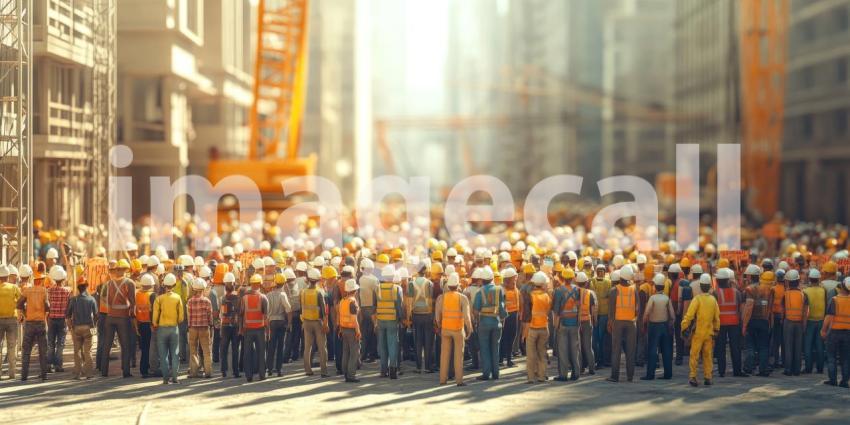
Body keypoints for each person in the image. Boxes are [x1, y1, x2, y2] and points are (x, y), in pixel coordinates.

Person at [681, 274, 720, 386]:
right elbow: (717, 317)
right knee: (708, 356)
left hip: (698, 332)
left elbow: (689, 315)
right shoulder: (713, 300)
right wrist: (716, 329)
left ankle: (693, 376)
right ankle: (708, 377)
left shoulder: (697, 299)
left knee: (694, 355)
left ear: (701, 286)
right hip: (709, 333)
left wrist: (684, 326)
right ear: (709, 286)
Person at [435, 273, 472, 386]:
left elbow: (437, 315)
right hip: (458, 329)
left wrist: (439, 325)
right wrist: (469, 328)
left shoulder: (441, 297)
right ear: (457, 285)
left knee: (444, 355)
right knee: (458, 355)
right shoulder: (462, 298)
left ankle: (442, 380)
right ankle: (459, 381)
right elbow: (466, 316)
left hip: (445, 329)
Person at [101, 259, 136, 378]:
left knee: (107, 345)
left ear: (116, 270)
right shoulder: (129, 282)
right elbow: (133, 301)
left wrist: (110, 306)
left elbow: (103, 298)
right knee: (125, 345)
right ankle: (126, 372)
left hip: (110, 316)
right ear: (126, 269)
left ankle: (104, 371)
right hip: (123, 317)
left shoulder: (108, 283)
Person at [472, 267, 506, 381]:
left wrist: (477, 320)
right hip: (496, 322)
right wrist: (502, 319)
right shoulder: (499, 289)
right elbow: (502, 308)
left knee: (484, 348)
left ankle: (486, 373)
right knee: (495, 348)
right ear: (492, 278)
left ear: (482, 280)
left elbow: (475, 310)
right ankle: (496, 373)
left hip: (484, 323)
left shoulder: (479, 291)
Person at [713, 267, 748, 378]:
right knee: (735, 347)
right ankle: (737, 371)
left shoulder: (715, 293)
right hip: (734, 323)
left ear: (717, 281)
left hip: (721, 323)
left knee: (721, 347)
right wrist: (742, 323)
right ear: (728, 280)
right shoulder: (736, 292)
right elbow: (741, 309)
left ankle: (721, 371)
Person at [17, 268, 50, 381]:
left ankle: (24, 376)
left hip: (29, 323)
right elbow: (47, 307)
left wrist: (25, 314)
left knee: (26, 350)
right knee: (42, 350)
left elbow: (19, 304)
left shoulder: (27, 291)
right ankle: (44, 375)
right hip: (40, 323)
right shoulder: (44, 291)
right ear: (40, 280)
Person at [607, 268, 638, 383]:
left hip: (618, 323)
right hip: (631, 323)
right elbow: (638, 308)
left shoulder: (614, 290)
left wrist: (610, 323)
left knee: (616, 350)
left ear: (620, 277)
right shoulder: (634, 289)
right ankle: (630, 376)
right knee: (630, 350)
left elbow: (611, 310)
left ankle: (614, 376)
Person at [642, 273, 674, 380]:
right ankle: (668, 374)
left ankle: (650, 374)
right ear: (664, 286)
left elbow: (646, 313)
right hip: (665, 326)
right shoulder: (666, 298)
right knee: (666, 350)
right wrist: (670, 325)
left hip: (654, 326)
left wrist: (644, 324)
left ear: (655, 286)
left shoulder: (653, 298)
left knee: (652, 350)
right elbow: (672, 315)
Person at [153, 273, 184, 384]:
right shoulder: (177, 298)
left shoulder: (159, 299)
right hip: (174, 328)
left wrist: (155, 324)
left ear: (164, 285)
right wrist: (176, 322)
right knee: (175, 353)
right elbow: (181, 317)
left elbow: (155, 317)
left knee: (163, 355)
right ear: (174, 285)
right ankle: (175, 378)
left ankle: (165, 379)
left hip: (162, 328)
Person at [65, 279, 98, 379]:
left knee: (77, 351)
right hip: (89, 327)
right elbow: (96, 315)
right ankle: (89, 374)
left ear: (78, 288)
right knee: (88, 351)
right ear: (86, 287)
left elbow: (68, 315)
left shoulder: (73, 299)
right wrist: (94, 328)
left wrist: (70, 327)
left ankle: (77, 373)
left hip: (77, 328)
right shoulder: (91, 299)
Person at [821, 277, 850, 388]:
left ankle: (833, 380)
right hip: (848, 333)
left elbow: (829, 317)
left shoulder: (834, 299)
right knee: (846, 358)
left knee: (831, 357)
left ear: (841, 286)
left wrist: (823, 330)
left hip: (834, 332)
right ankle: (844, 381)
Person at [376, 265, 404, 379]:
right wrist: (401, 318)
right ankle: (393, 370)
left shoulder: (377, 288)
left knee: (382, 345)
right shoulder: (397, 288)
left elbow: (375, 304)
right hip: (392, 320)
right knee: (392, 344)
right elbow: (399, 306)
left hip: (380, 319)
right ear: (392, 276)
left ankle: (383, 371)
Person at [553, 268, 581, 381]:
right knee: (574, 350)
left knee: (563, 350)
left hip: (563, 323)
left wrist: (556, 324)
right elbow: (579, 306)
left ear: (563, 278)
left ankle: (563, 375)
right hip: (574, 322)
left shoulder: (559, 290)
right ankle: (576, 373)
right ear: (573, 277)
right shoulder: (577, 289)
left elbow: (556, 310)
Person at [240, 274, 269, 382]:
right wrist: (268, 331)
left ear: (251, 284)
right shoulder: (263, 298)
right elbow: (266, 317)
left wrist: (240, 329)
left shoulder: (244, 298)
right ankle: (262, 374)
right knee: (261, 352)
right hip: (260, 329)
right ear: (260, 284)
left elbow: (241, 314)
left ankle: (249, 375)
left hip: (248, 329)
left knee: (247, 353)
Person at [407, 265, 435, 374]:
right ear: (425, 272)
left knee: (417, 341)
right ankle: (428, 367)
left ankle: (418, 367)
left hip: (416, 314)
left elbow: (409, 302)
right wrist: (431, 315)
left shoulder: (411, 284)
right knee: (428, 341)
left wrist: (408, 317)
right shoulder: (429, 283)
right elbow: (430, 300)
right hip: (427, 314)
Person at [301, 268, 329, 377]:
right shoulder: (319, 292)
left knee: (307, 347)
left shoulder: (303, 292)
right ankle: (324, 371)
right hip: (318, 322)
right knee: (322, 347)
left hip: (306, 322)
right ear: (317, 279)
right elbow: (324, 310)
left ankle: (308, 370)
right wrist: (326, 324)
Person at [525, 272, 551, 384]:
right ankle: (542, 376)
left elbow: (527, 314)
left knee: (531, 355)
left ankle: (531, 378)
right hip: (544, 327)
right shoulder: (546, 296)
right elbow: (548, 310)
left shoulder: (530, 296)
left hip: (532, 328)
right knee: (542, 353)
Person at [266, 272, 292, 377]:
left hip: (271, 322)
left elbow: (266, 312)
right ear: (284, 283)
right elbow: (289, 310)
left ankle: (269, 369)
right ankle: (279, 370)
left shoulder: (268, 295)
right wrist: (289, 323)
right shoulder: (283, 295)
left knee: (271, 346)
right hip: (281, 322)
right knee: (280, 346)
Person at [782, 269, 807, 376]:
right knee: (798, 347)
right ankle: (797, 370)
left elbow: (783, 310)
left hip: (788, 322)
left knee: (788, 346)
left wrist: (782, 320)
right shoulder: (803, 294)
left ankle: (788, 370)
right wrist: (804, 325)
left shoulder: (785, 294)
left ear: (788, 281)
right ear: (798, 281)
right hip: (799, 323)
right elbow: (805, 312)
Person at [187, 277, 213, 378]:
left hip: (193, 328)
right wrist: (210, 325)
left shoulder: (190, 301)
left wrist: (189, 326)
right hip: (204, 328)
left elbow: (189, 316)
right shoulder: (207, 301)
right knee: (206, 351)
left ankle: (194, 372)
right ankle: (208, 372)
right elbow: (210, 316)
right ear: (203, 289)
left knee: (193, 350)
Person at [46, 266, 70, 373]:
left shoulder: (49, 291)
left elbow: (47, 305)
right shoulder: (67, 291)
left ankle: (48, 365)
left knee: (51, 343)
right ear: (63, 279)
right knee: (60, 344)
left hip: (51, 319)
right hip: (62, 320)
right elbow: (69, 306)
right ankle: (58, 366)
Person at [803, 268, 826, 374]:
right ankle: (820, 368)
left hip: (809, 321)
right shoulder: (823, 290)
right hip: (821, 320)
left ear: (810, 279)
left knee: (808, 345)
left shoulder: (805, 291)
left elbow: (804, 308)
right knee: (819, 345)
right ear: (818, 279)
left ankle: (808, 368)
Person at [337, 279, 361, 382]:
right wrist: (358, 331)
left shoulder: (342, 301)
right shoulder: (352, 302)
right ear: (355, 290)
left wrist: (340, 329)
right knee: (354, 353)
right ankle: (351, 375)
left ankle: (346, 373)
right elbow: (354, 319)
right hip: (351, 329)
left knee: (346, 352)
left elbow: (340, 316)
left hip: (343, 329)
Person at [0, 265, 22, 380]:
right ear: (8, 276)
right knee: (12, 346)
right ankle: (12, 372)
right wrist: (19, 311)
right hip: (12, 319)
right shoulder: (14, 287)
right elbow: (21, 300)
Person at [219, 272, 240, 378]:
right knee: (235, 349)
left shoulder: (222, 298)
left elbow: (221, 313)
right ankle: (236, 372)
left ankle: (224, 371)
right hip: (235, 326)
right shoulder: (238, 297)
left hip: (225, 325)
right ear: (234, 284)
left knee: (224, 349)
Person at [357, 258, 379, 363]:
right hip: (372, 308)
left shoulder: (360, 279)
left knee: (364, 333)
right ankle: (372, 355)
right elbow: (377, 295)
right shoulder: (375, 280)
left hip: (362, 308)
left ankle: (364, 354)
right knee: (373, 333)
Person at [575, 271, 596, 375]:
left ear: (577, 282)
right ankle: (591, 369)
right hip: (587, 321)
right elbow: (593, 310)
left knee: (578, 347)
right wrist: (594, 321)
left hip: (576, 321)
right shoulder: (590, 293)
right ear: (586, 282)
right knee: (588, 346)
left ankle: (580, 368)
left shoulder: (574, 292)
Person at [500, 267, 520, 368]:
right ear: (508, 279)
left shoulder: (515, 288)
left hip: (514, 314)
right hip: (507, 316)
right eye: (514, 278)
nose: (515, 279)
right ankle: (502, 359)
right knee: (504, 337)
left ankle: (508, 358)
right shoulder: (503, 290)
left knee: (512, 336)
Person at [591, 264, 611, 368]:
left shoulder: (607, 282)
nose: (600, 272)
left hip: (603, 314)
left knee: (600, 338)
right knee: (597, 338)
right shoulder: (593, 281)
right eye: (599, 270)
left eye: (602, 270)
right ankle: (599, 360)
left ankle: (601, 360)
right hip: (597, 313)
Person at [135, 274, 154, 377]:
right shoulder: (152, 295)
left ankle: (144, 369)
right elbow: (153, 311)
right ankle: (147, 369)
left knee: (144, 348)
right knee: (150, 348)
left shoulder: (137, 294)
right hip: (149, 324)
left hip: (140, 324)